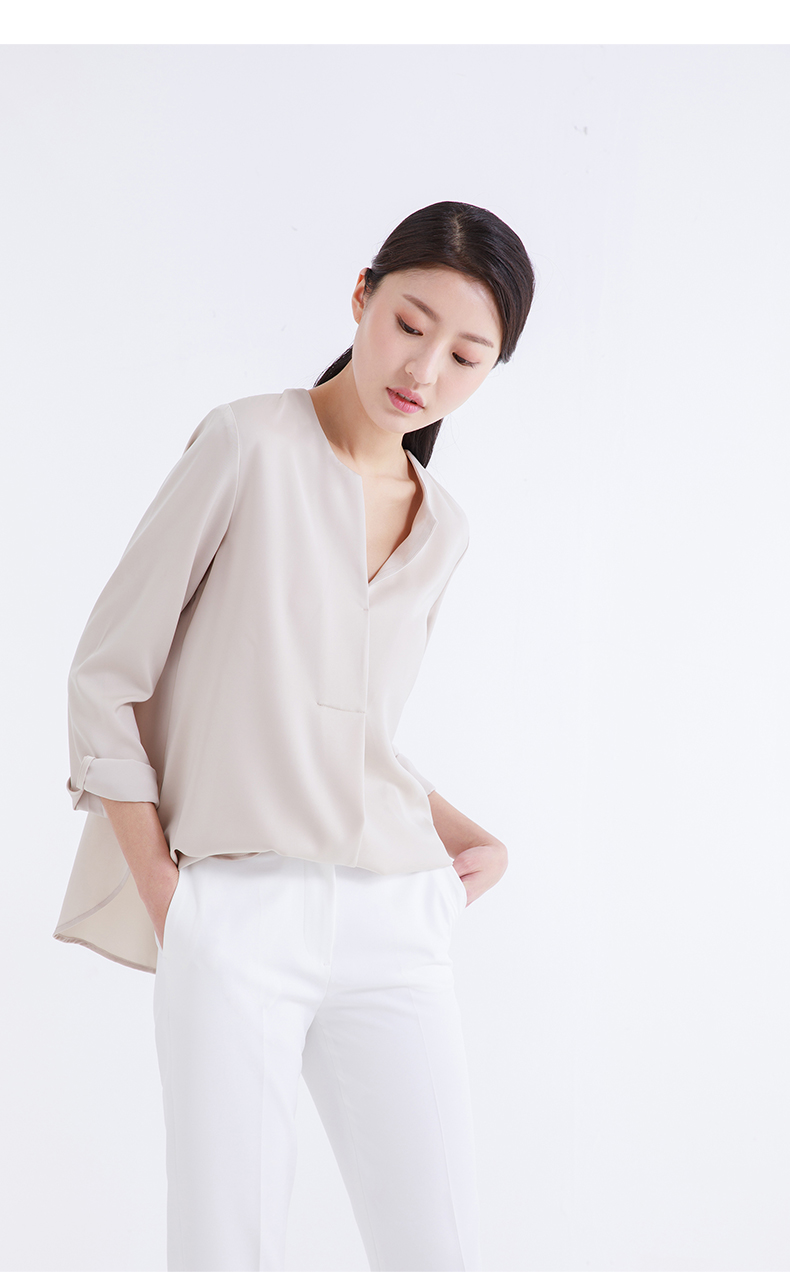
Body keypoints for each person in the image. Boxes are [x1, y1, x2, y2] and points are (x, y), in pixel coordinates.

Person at [54, 200, 535, 1272]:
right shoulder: (246, 444)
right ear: (361, 296)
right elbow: (105, 679)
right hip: (238, 914)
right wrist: (173, 899)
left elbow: (349, 731)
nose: (425, 371)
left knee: (440, 1251)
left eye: (467, 357)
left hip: (396, 919)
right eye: (409, 324)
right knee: (224, 1249)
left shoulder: (442, 528)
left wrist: (470, 842)